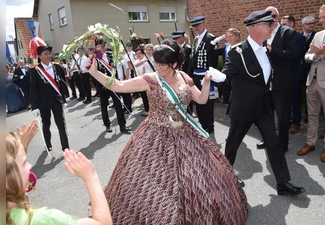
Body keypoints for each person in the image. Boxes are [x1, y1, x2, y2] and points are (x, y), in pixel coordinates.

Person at [86, 40, 248, 224]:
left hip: (187, 133)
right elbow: (118, 85)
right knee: (157, 182)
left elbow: (201, 100)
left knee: (196, 177)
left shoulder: (184, 77)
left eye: (162, 63)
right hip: (155, 135)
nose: (157, 66)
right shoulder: (150, 80)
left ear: (174, 63)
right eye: (156, 62)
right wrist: (95, 72)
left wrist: (207, 82)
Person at [219, 10, 305, 195]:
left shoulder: (266, 48)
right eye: (269, 24)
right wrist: (217, 77)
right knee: (233, 143)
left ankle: (283, 184)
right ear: (256, 27)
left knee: (273, 143)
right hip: (243, 107)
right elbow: (227, 74)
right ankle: (224, 178)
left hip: (263, 107)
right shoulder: (238, 52)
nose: (273, 27)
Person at [6, 122, 112, 225]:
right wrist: (91, 177)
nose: (30, 166)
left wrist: (22, 147)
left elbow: (15, 177)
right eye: (24, 163)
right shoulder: (42, 219)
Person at [297, 2, 325, 162]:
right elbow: (307, 56)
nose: (320, 20)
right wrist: (315, 56)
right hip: (313, 81)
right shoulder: (318, 35)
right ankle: (310, 143)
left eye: (324, 17)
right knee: (312, 115)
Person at [256, 6, 296, 152]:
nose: (270, 19)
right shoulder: (263, 33)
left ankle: (283, 143)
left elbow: (292, 54)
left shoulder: (288, 32)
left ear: (278, 16)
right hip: (265, 83)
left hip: (281, 82)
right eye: (267, 16)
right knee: (266, 114)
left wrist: (274, 51)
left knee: (282, 115)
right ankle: (269, 139)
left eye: (273, 16)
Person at [30, 45, 69, 151]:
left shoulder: (56, 67)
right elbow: (33, 89)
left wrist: (64, 100)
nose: (48, 56)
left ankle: (65, 146)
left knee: (61, 124)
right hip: (43, 102)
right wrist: (34, 106)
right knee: (46, 124)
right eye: (45, 54)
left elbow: (61, 84)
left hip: (56, 100)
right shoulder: (35, 70)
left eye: (49, 53)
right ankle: (48, 144)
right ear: (39, 56)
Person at [188, 16, 219, 134]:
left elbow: (213, 60)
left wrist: (210, 75)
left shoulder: (210, 38)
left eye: (198, 25)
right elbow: (192, 59)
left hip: (205, 75)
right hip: (196, 75)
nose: (196, 28)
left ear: (204, 24)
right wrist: (190, 75)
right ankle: (201, 123)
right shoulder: (196, 40)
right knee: (198, 100)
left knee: (208, 102)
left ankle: (209, 125)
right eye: (194, 26)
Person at [93, 38, 130, 133]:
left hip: (113, 83)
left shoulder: (110, 56)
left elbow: (115, 68)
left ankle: (122, 125)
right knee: (104, 104)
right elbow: (93, 73)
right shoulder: (94, 58)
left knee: (118, 103)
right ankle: (107, 124)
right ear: (96, 47)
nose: (104, 47)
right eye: (101, 46)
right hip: (102, 85)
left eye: (104, 45)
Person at [280, 15, 306, 134]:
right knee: (284, 100)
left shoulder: (299, 38)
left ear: (291, 24)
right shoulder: (281, 37)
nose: (281, 26)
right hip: (283, 74)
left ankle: (296, 123)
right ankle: (286, 122)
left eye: (284, 24)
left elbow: (296, 55)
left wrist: (279, 54)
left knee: (294, 100)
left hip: (295, 74)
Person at [215, 28, 241, 106]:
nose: (229, 38)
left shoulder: (241, 47)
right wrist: (214, 42)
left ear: (237, 37)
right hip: (227, 75)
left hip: (236, 76)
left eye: (231, 36)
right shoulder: (226, 47)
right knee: (227, 101)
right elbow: (213, 52)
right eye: (227, 36)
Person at [172, 30, 194, 114]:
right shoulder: (174, 48)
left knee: (187, 95)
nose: (174, 40)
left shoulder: (187, 49)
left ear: (182, 38)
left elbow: (189, 64)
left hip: (185, 75)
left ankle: (189, 113)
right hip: (176, 76)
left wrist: (188, 77)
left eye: (176, 39)